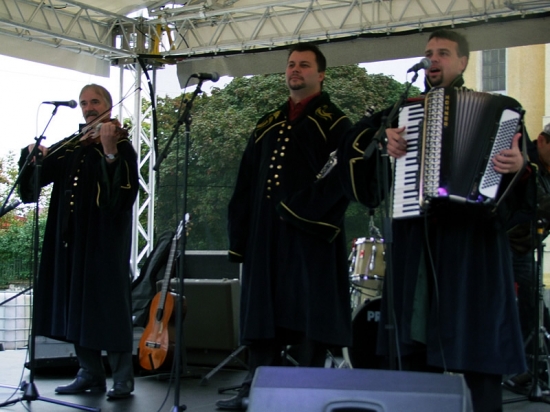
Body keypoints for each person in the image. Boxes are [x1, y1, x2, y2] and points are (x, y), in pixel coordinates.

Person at [336, 30, 528, 411]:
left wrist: (519, 166)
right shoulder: (402, 111)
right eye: (428, 53)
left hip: (473, 247)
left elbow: (524, 184)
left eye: (443, 53)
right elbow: (357, 154)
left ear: (463, 62)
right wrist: (386, 144)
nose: (433, 59)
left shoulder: (501, 113)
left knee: (477, 347)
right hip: (420, 246)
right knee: (415, 348)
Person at [218, 42, 353, 411]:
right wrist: (240, 238)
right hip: (266, 238)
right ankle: (255, 389)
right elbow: (246, 183)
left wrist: (302, 211)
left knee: (309, 316)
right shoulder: (268, 123)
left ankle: (305, 393)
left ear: (321, 75)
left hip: (310, 238)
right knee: (263, 315)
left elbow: (343, 181)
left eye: (304, 65)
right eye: (291, 64)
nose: (295, 70)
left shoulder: (336, 123)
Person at [18, 84, 139, 399]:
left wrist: (110, 152)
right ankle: (89, 372)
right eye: (84, 103)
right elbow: (35, 182)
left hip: (103, 243)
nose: (88, 108)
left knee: (109, 305)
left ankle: (122, 378)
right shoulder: (73, 144)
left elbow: (122, 196)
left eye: (95, 101)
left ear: (108, 106)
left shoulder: (121, 144)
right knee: (76, 304)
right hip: (71, 240)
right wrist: (33, 156)